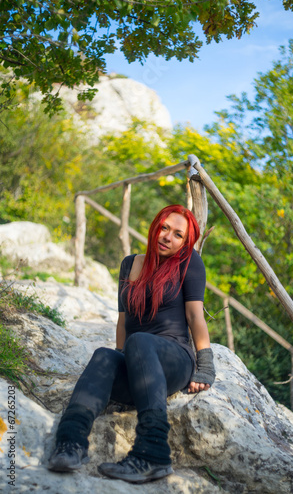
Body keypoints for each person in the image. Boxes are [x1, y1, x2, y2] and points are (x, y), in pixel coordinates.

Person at [47, 204, 215, 484]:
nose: (167, 237)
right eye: (164, 228)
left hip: (174, 359)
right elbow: (123, 321)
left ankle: (153, 453)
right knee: (104, 356)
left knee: (138, 342)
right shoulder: (129, 264)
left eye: (177, 235)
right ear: (154, 227)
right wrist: (117, 363)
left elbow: (195, 315)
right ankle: (70, 443)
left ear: (185, 242)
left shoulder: (189, 263)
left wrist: (205, 365)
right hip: (140, 364)